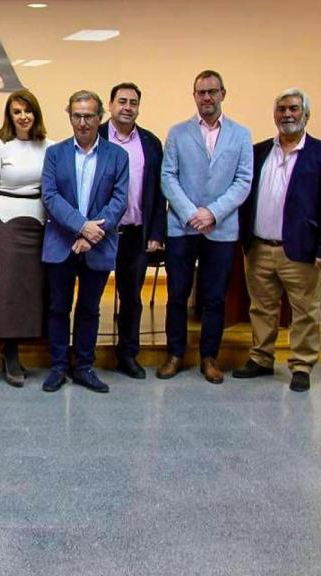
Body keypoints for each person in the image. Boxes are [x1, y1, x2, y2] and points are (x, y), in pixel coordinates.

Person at [158, 70, 253, 384]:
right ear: (194, 95)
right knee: (176, 295)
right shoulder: (178, 132)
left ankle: (209, 357)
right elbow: (168, 177)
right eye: (201, 92)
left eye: (213, 92)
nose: (207, 98)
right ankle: (174, 354)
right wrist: (190, 213)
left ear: (223, 93)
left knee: (214, 297)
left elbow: (243, 181)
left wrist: (212, 213)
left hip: (221, 229)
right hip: (182, 228)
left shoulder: (241, 135)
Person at [41, 90, 129, 394]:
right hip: (61, 243)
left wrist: (93, 235)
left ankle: (84, 367)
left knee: (90, 308)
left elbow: (119, 200)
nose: (82, 122)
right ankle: (58, 366)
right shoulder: (55, 153)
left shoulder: (118, 156)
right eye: (76, 115)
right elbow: (50, 196)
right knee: (58, 307)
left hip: (99, 244)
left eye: (89, 116)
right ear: (69, 116)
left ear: (100, 117)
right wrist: (81, 227)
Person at [234, 88, 321, 392]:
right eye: (282, 109)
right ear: (274, 115)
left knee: (305, 311)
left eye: (294, 109)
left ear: (306, 114)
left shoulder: (318, 154)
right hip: (259, 247)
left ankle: (301, 365)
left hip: (300, 249)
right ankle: (261, 358)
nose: (287, 115)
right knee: (261, 308)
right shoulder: (259, 152)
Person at [0, 89, 53, 387]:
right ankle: (9, 353)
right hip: (5, 224)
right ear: (9, 116)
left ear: (36, 113)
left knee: (31, 290)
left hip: (38, 224)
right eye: (17, 112)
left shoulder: (51, 147)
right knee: (8, 291)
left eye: (28, 110)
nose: (23, 116)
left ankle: (31, 344)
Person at [98, 83, 166, 379]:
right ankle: (85, 354)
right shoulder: (94, 136)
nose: (127, 107)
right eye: (122, 101)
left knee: (131, 298)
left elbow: (158, 191)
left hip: (137, 233)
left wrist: (157, 232)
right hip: (99, 233)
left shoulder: (150, 143)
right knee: (91, 296)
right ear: (110, 105)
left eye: (133, 102)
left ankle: (128, 355)